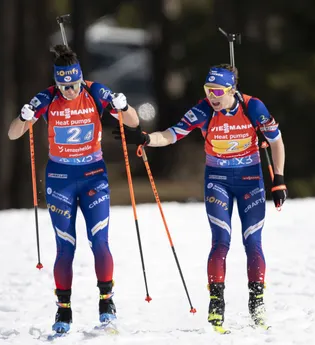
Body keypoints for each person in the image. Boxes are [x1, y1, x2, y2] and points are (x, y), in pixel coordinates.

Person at [116, 64, 287, 333]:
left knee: (252, 240)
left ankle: (257, 304)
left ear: (232, 90)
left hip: (250, 182)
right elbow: (173, 134)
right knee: (221, 241)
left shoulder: (253, 108)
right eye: (208, 90)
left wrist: (278, 180)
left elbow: (276, 141)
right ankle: (216, 306)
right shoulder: (204, 110)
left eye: (218, 91)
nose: (212, 96)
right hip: (217, 181)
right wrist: (146, 139)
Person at [8, 45, 140, 334]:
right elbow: (13, 133)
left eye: (74, 85)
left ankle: (107, 303)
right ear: (56, 83)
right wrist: (24, 116)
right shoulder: (47, 98)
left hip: (94, 176)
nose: (69, 91)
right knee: (65, 246)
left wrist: (123, 107)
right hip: (60, 178)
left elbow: (133, 122)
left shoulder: (95, 93)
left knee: (100, 240)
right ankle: (63, 310)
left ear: (82, 79)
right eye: (64, 86)